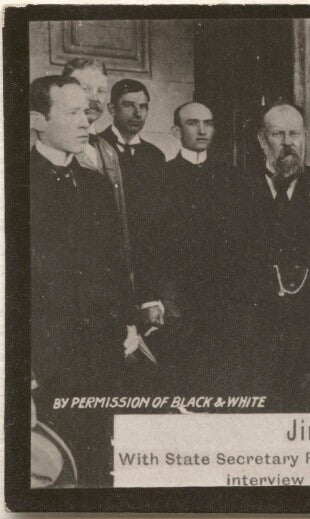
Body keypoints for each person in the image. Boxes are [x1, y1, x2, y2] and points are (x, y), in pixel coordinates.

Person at [29, 75, 141, 486]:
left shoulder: (95, 184)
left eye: (87, 113)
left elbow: (115, 262)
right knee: (58, 471)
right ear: (37, 120)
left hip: (103, 352)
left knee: (103, 462)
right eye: (72, 113)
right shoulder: (16, 183)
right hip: (48, 358)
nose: (86, 123)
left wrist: (128, 323)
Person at [213, 101, 310, 411]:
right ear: (261, 140)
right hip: (251, 336)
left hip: (308, 335)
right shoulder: (232, 189)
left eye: (294, 134)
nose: (287, 143)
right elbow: (219, 263)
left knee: (302, 420)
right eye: (278, 134)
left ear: (305, 137)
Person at [149, 101, 230, 392]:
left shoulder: (230, 176)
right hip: (177, 293)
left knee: (220, 371)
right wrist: (156, 296)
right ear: (175, 130)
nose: (202, 130)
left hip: (222, 291)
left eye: (208, 123)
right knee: (180, 371)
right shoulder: (161, 175)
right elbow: (151, 241)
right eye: (193, 123)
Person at [98, 79, 166, 322]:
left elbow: (155, 225)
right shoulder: (94, 147)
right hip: (107, 262)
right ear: (112, 109)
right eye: (128, 105)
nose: (138, 113)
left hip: (144, 268)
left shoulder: (154, 156)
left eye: (144, 106)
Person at [61, 58, 133, 278]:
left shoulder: (108, 149)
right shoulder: (56, 146)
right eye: (85, 89)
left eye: (101, 90)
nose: (94, 97)